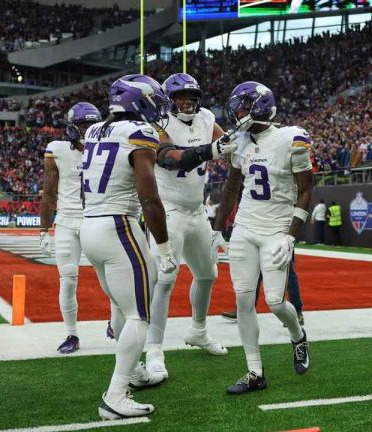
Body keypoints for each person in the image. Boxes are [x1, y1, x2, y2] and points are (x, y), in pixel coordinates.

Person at [80, 74, 177, 419]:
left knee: (121, 307)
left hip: (89, 225)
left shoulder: (94, 130)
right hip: (118, 225)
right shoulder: (140, 132)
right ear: (140, 101)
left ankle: (133, 372)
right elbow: (149, 197)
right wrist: (163, 246)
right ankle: (116, 394)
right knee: (139, 314)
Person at [213, 81, 313, 394]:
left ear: (260, 107)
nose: (238, 113)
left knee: (274, 302)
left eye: (244, 106)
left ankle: (297, 335)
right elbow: (231, 188)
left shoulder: (290, 137)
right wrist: (216, 228)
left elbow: (307, 189)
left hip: (276, 230)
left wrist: (291, 236)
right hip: (245, 227)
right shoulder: (239, 141)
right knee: (244, 300)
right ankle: (255, 372)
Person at [142, 72, 230, 382]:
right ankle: (153, 349)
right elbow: (170, 160)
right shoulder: (158, 124)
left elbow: (226, 142)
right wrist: (212, 151)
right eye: (181, 97)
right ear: (169, 100)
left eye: (192, 97)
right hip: (169, 210)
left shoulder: (206, 117)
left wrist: (239, 144)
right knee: (165, 278)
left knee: (207, 274)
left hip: (197, 210)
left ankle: (198, 330)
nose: (187, 103)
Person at [40, 101, 106, 354]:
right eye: (82, 125)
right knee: (67, 279)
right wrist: (44, 230)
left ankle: (115, 321)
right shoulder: (57, 149)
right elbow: (48, 192)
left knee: (109, 276)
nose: (88, 129)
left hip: (97, 217)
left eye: (91, 124)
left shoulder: (107, 148)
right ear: (71, 127)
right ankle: (71, 333)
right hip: (67, 220)